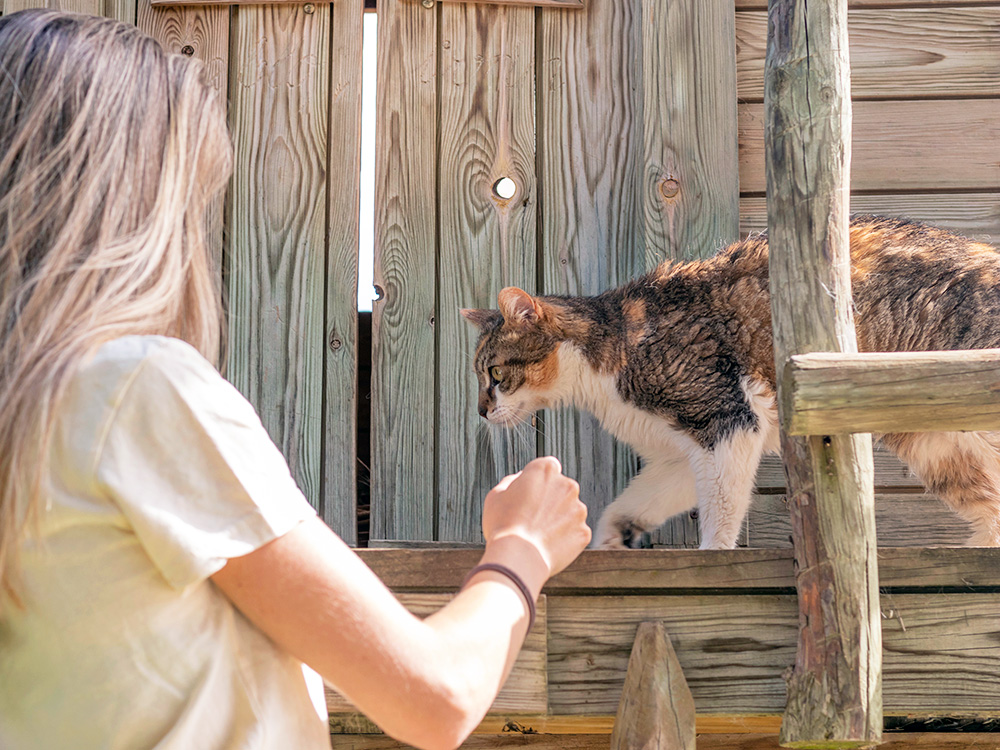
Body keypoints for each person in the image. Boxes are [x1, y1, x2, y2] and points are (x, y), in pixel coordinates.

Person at [0, 10, 591, 750]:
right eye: (192, 199)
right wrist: (523, 547)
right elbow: (436, 697)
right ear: (134, 206)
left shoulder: (32, 420)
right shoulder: (133, 390)